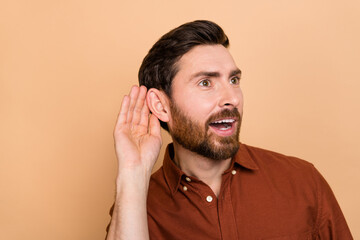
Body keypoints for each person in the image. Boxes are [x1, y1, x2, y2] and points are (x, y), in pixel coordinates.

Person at [106, 20, 353, 240]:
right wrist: (132, 173)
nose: (231, 98)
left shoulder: (303, 182)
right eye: (206, 83)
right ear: (161, 106)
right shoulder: (134, 206)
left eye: (234, 80)